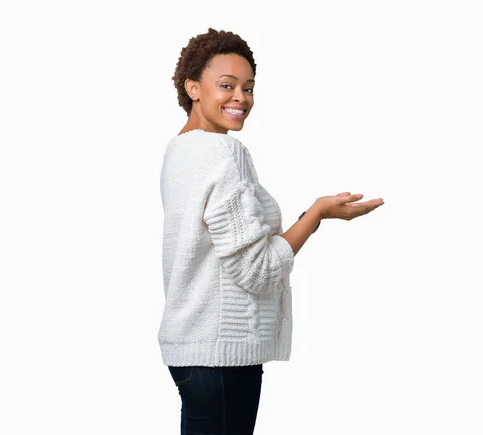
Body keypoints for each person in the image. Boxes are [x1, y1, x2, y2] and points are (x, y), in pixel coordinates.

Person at [159, 27, 384, 434]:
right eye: (226, 85)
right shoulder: (222, 153)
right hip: (221, 358)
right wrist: (314, 216)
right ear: (193, 88)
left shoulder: (179, 151)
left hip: (193, 352)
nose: (240, 98)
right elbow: (258, 270)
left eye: (248, 88)